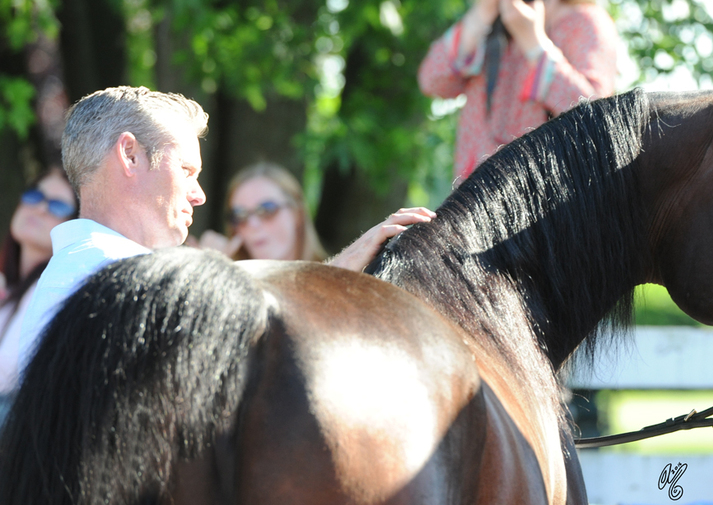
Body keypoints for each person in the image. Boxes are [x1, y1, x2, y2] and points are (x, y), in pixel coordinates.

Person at [17, 86, 434, 370]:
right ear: (129, 154)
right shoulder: (108, 281)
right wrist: (339, 270)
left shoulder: (79, 275)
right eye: (185, 170)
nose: (199, 195)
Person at [418, 0, 618, 182]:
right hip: (474, 204)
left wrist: (535, 43)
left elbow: (597, 120)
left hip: (548, 206)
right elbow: (433, 82)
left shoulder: (584, 23)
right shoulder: (488, 25)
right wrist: (482, 12)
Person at [0, 168, 77, 424]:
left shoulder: (58, 291)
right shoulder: (8, 288)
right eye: (34, 196)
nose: (40, 208)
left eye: (57, 205)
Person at [198, 162, 328, 262]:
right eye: (240, 216)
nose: (253, 224)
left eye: (267, 210)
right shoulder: (229, 286)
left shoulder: (339, 278)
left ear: (297, 214)